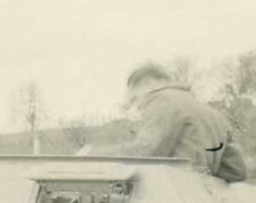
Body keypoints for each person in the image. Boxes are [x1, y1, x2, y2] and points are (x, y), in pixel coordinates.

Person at [82, 62, 247, 182]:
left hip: (174, 197)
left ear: (145, 85)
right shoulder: (214, 114)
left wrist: (92, 155)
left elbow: (145, 152)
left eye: (135, 100)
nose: (139, 108)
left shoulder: (162, 102)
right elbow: (236, 171)